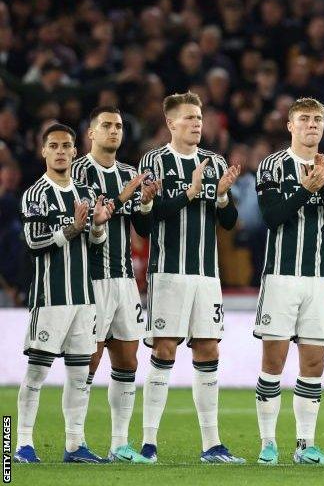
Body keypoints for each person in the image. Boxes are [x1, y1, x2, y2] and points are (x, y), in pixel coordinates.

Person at [138, 92, 243, 463]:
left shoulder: (214, 163)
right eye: (188, 118)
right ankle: (148, 443)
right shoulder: (155, 161)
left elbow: (229, 224)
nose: (197, 123)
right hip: (168, 272)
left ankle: (211, 445)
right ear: (170, 123)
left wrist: (224, 198)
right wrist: (191, 191)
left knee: (208, 349)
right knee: (164, 349)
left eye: (199, 117)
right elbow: (149, 219)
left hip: (206, 276)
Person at [252, 98, 324, 465]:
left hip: (320, 281)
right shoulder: (273, 166)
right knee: (273, 363)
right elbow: (271, 216)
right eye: (305, 119)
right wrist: (306, 189)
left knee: (313, 365)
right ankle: (267, 443)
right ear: (290, 126)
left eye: (318, 119)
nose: (312, 125)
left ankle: (304, 446)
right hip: (280, 277)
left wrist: (323, 185)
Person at [15, 123, 114, 463]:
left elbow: (96, 245)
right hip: (50, 297)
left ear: (75, 151)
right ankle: (22, 444)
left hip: (83, 299)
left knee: (78, 373)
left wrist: (98, 224)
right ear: (43, 151)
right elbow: (32, 242)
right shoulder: (35, 194)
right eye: (53, 145)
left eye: (66, 146)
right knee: (38, 372)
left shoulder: (85, 194)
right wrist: (70, 229)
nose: (60, 151)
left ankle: (75, 444)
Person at [70, 106, 158, 463]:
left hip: (124, 280)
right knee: (86, 362)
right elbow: (90, 214)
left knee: (127, 360)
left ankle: (119, 444)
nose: (113, 131)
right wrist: (124, 198)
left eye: (118, 126)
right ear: (91, 133)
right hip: (91, 280)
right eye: (106, 125)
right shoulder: (78, 171)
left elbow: (142, 228)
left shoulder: (128, 172)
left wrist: (147, 204)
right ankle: (74, 443)